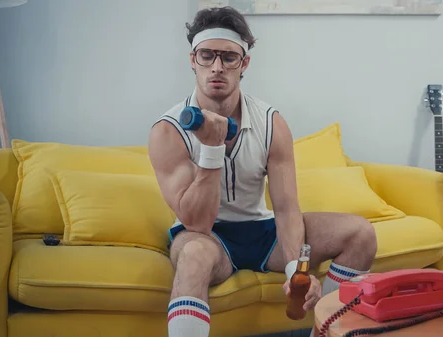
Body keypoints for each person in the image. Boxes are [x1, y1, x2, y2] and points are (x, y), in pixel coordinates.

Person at [148, 6, 377, 337]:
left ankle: (326, 331)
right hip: (207, 238)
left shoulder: (271, 122)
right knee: (193, 254)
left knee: (361, 233)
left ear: (244, 64)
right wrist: (212, 148)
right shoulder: (168, 130)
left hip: (263, 233)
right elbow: (197, 222)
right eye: (206, 55)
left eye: (228, 57)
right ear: (192, 60)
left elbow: (285, 207)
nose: (217, 67)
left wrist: (295, 271)